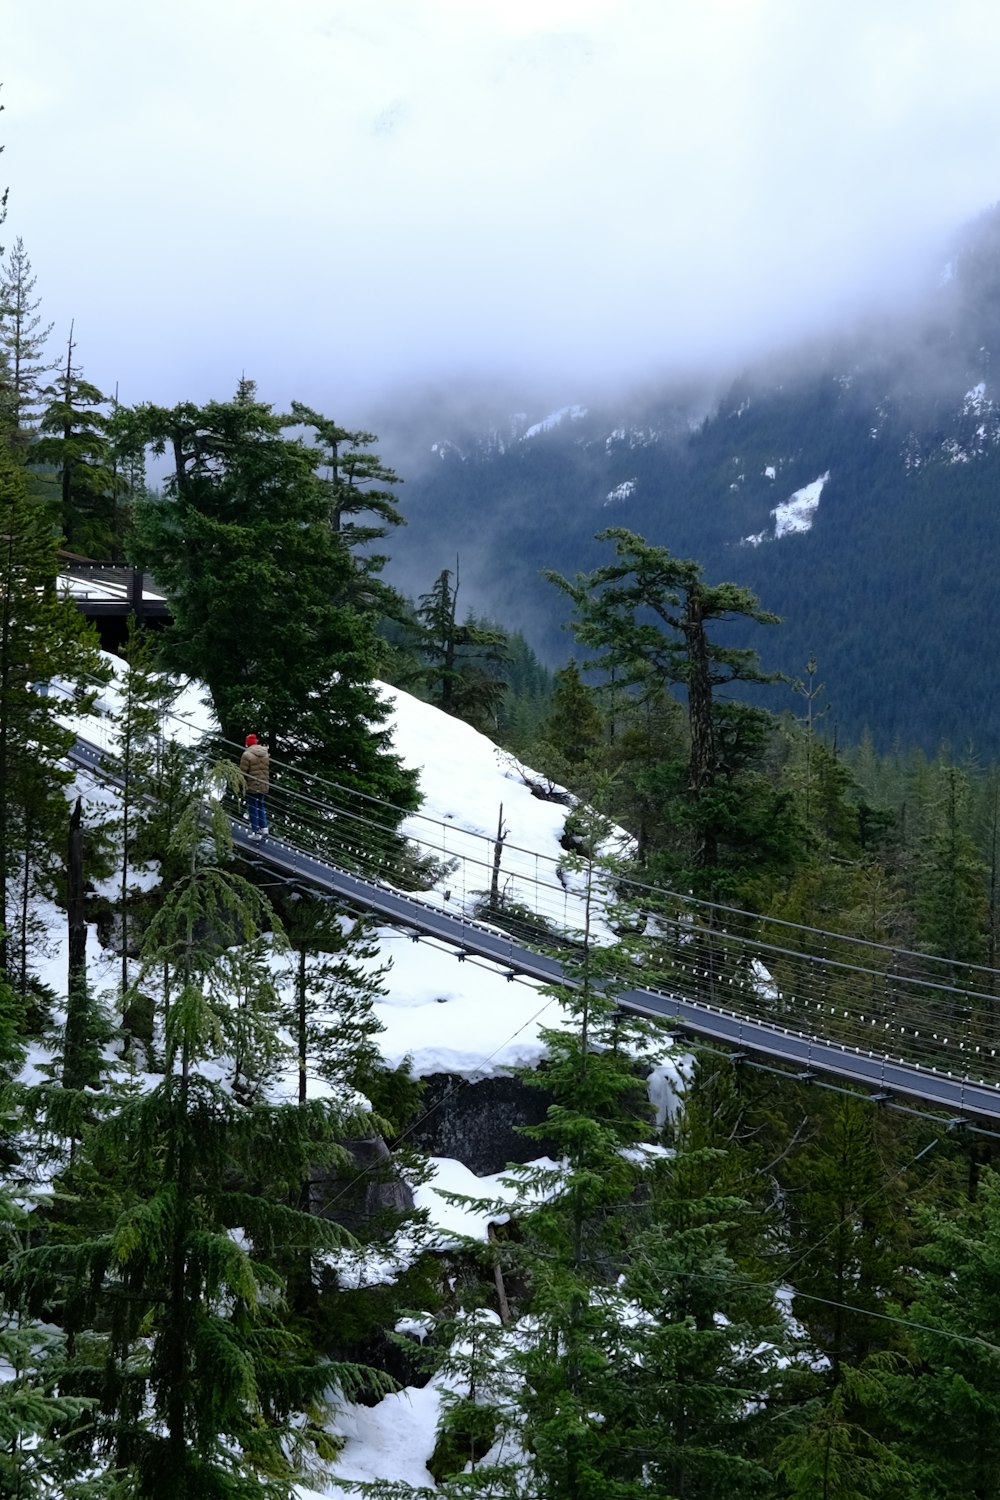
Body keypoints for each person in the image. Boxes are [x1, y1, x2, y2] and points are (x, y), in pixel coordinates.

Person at [239, 733, 270, 841]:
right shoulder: (265, 753)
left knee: (253, 807)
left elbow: (242, 772)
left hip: (253, 784)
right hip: (264, 783)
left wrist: (240, 784)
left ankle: (256, 833)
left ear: (247, 743)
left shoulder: (246, 755)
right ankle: (264, 828)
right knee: (261, 805)